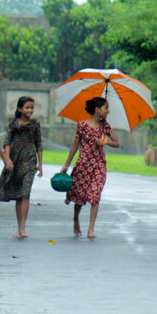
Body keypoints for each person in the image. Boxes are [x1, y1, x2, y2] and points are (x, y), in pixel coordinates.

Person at [59, 97, 121, 238]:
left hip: (99, 164)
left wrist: (105, 141)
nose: (108, 110)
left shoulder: (105, 127)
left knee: (95, 195)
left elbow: (117, 143)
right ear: (97, 109)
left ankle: (91, 229)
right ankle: (76, 219)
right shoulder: (82, 125)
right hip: (83, 164)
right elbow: (75, 146)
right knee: (80, 195)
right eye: (106, 107)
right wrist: (67, 164)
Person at [0, 96, 43, 238]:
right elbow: (7, 142)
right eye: (27, 107)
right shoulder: (13, 123)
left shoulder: (35, 124)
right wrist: (8, 159)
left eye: (32, 108)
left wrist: (40, 164)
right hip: (16, 160)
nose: (30, 110)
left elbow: (39, 144)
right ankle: (19, 227)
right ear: (19, 109)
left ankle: (23, 228)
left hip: (29, 160)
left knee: (25, 192)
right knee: (18, 195)